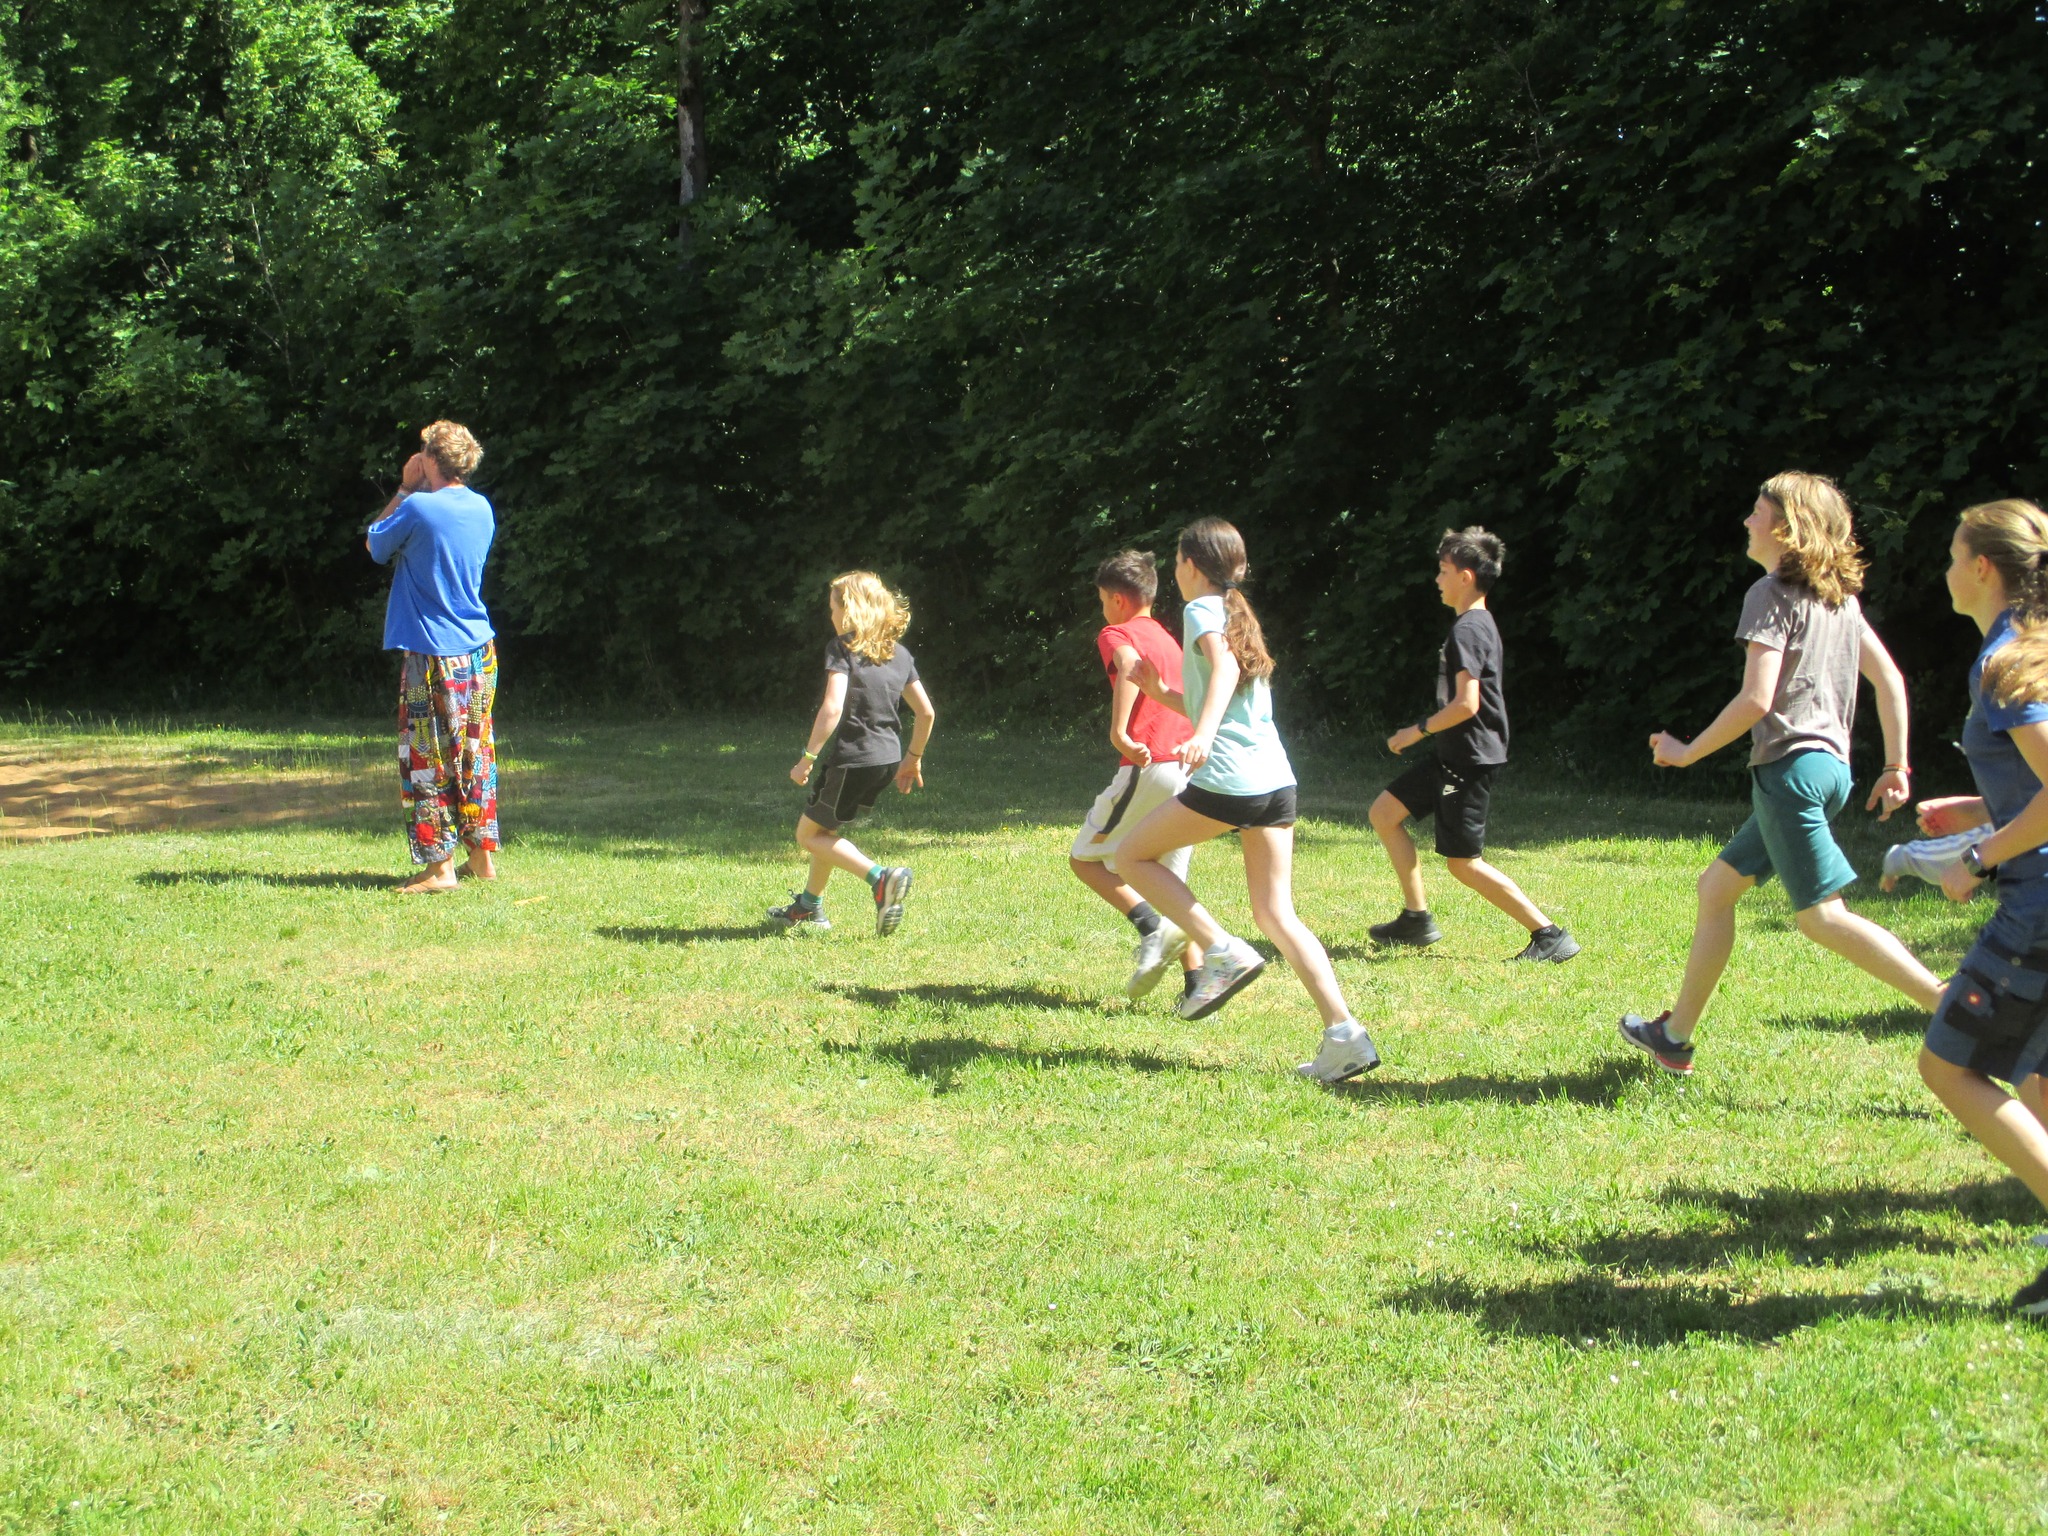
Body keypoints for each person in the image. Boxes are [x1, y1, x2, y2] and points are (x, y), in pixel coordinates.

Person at [1618, 471, 1942, 1073]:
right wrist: (1896, 764)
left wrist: (1686, 752)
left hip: (1790, 773)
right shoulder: (1839, 602)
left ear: (1786, 529)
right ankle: (1675, 1036)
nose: (1746, 521)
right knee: (1717, 889)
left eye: (1756, 512)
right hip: (1831, 773)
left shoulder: (1769, 594)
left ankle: (1948, 1007)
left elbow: (1754, 701)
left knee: (1822, 918)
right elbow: (1891, 681)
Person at [1113, 517, 1381, 1084]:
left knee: (1130, 856)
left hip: (1231, 779)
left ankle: (1220, 949)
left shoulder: (1201, 609)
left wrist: (1204, 737)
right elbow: (1220, 690)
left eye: (1176, 560)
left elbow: (1226, 672)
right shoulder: (1235, 610)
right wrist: (1159, 690)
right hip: (1274, 781)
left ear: (1189, 564)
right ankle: (1345, 1037)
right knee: (1277, 913)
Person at [1913, 498, 2048, 1319]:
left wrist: (1977, 857)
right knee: (2036, 1077)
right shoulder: (2034, 651)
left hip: (2038, 903)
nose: (1946, 568)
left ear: (1984, 569)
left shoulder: (2004, 662)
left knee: (1948, 1064)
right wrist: (1979, 807)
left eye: (1954, 554)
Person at [1368, 527, 1580, 962]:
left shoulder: (1468, 630)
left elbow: (1467, 703)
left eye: (1443, 571)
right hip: (1454, 754)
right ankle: (1415, 918)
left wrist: (1416, 730)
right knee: (1384, 813)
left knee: (1463, 862)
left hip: (1469, 758)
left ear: (1465, 576)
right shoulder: (1476, 624)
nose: (1437, 579)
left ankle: (1549, 934)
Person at [365, 421, 500, 894]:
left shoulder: (418, 506)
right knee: (474, 754)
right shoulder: (481, 508)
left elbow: (376, 544)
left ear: (429, 460)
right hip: (479, 653)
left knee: (427, 759)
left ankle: (439, 868)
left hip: (433, 654)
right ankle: (481, 860)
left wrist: (403, 486)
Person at [1067, 550, 1203, 1001]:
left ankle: (1151, 929)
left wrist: (1120, 732)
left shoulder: (1116, 631)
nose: (1102, 609)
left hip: (1149, 766)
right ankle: (1200, 985)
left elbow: (1126, 665)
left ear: (1118, 600)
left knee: (1084, 858)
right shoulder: (1168, 638)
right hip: (1187, 767)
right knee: (1167, 879)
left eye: (1103, 599)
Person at [769, 571, 935, 936]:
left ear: (849, 610)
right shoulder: (899, 654)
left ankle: (880, 879)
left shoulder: (842, 647)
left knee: (807, 835)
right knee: (825, 828)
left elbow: (832, 709)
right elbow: (926, 712)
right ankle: (809, 907)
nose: (829, 616)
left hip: (854, 758)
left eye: (832, 608)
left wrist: (807, 759)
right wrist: (914, 758)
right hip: (887, 759)